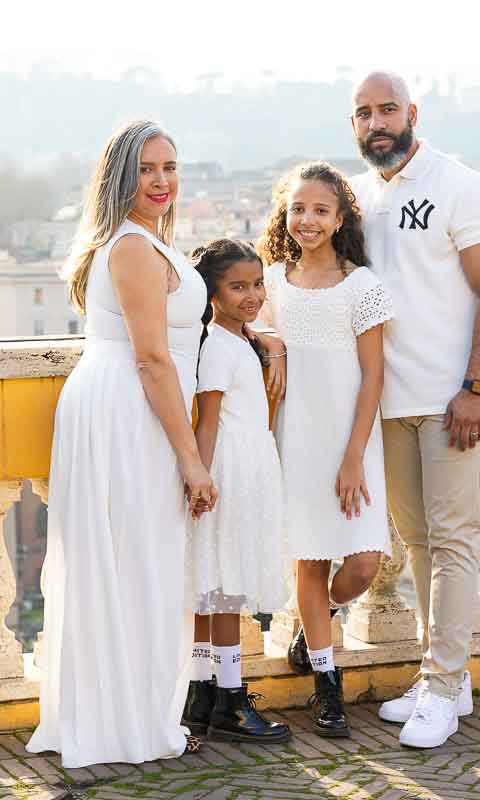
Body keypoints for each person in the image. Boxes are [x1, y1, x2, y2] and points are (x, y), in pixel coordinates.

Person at [27, 121, 214, 767]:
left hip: (127, 405)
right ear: (119, 178)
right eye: (146, 169)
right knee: (138, 562)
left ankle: (125, 715)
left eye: (170, 166)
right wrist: (191, 458)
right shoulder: (132, 247)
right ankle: (122, 723)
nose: (161, 181)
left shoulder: (142, 241)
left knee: (135, 562)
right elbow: (153, 359)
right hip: (131, 410)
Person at [348, 71, 480, 749]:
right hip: (389, 398)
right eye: (364, 113)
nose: (376, 123)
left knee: (452, 539)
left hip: (453, 399)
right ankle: (446, 675)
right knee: (417, 541)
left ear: (412, 112)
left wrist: (475, 387)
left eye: (387, 109)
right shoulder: (357, 196)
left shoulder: (461, 186)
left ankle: (442, 687)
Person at [257, 161, 394, 738]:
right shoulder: (270, 282)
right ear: (285, 215)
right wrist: (274, 345)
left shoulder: (362, 287)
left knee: (363, 565)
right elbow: (245, 329)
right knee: (309, 561)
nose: (308, 219)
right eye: (298, 209)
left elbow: (373, 375)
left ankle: (324, 614)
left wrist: (354, 454)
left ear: (340, 219)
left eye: (320, 210)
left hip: (351, 441)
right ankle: (326, 681)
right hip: (295, 438)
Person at [181, 238, 291, 745]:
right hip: (229, 467)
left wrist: (270, 342)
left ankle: (201, 693)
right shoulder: (218, 349)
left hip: (249, 463)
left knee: (216, 584)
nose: (253, 295)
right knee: (223, 585)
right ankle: (229, 698)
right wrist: (200, 480)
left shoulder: (236, 340)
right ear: (212, 293)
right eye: (238, 287)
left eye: (258, 284)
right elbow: (206, 423)